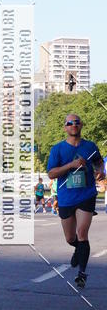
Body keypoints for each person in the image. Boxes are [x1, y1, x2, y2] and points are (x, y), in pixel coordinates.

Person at [47, 114, 105, 288]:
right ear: (65, 127)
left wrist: (101, 172)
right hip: (66, 198)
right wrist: (70, 166)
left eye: (76, 122)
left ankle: (82, 274)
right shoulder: (57, 149)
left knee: (82, 233)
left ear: (81, 126)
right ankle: (77, 249)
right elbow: (51, 173)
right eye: (70, 123)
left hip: (86, 195)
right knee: (70, 237)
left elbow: (99, 162)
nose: (73, 125)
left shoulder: (90, 146)